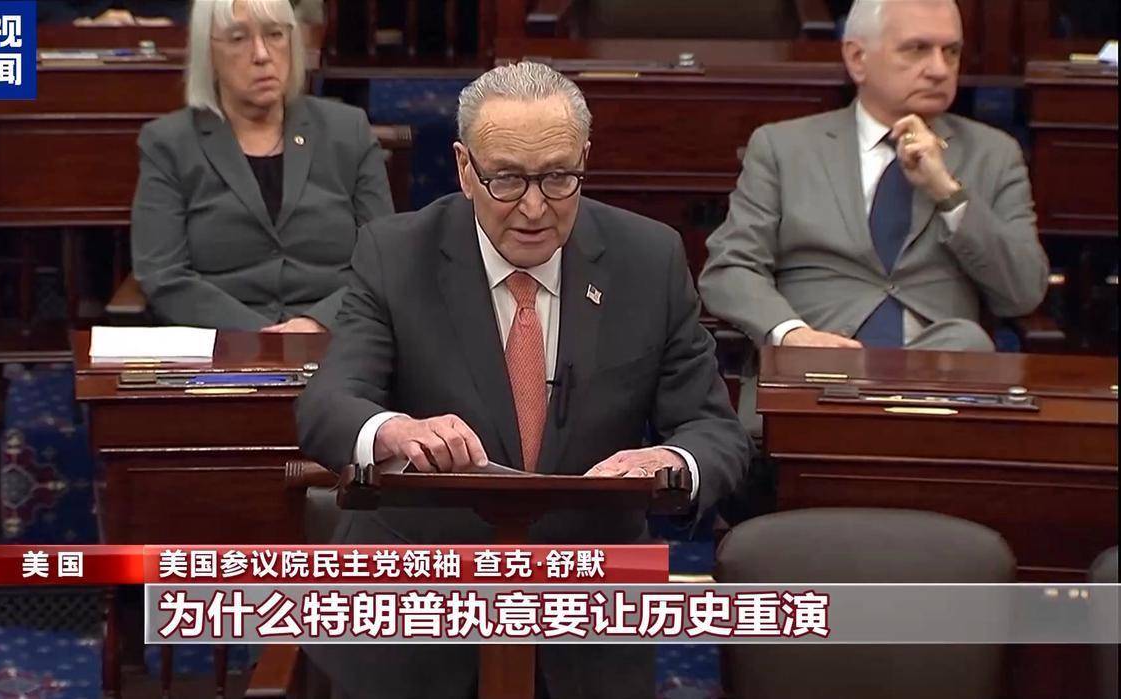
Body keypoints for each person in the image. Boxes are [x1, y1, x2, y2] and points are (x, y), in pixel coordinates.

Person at [295, 61, 750, 699]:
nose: (534, 208)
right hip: (421, 612)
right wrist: (393, 431)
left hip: (588, 615)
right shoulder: (395, 254)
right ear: (464, 168)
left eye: (558, 177)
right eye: (507, 179)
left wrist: (671, 461)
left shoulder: (649, 259)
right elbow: (327, 404)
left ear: (584, 159)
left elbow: (714, 430)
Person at [700, 0, 1048, 357]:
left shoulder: (994, 154)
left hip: (938, 370)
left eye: (952, 52)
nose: (940, 69)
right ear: (857, 59)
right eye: (917, 49)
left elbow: (1023, 293)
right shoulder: (783, 148)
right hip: (820, 364)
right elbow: (731, 267)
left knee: (966, 342)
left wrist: (947, 192)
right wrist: (790, 334)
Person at [131, 0, 393, 332]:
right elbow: (162, 273)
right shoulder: (169, 143)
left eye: (274, 35)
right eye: (238, 38)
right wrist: (260, 337)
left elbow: (384, 259)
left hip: (337, 335)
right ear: (208, 53)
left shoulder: (347, 130)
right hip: (223, 340)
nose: (262, 54)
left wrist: (317, 323)